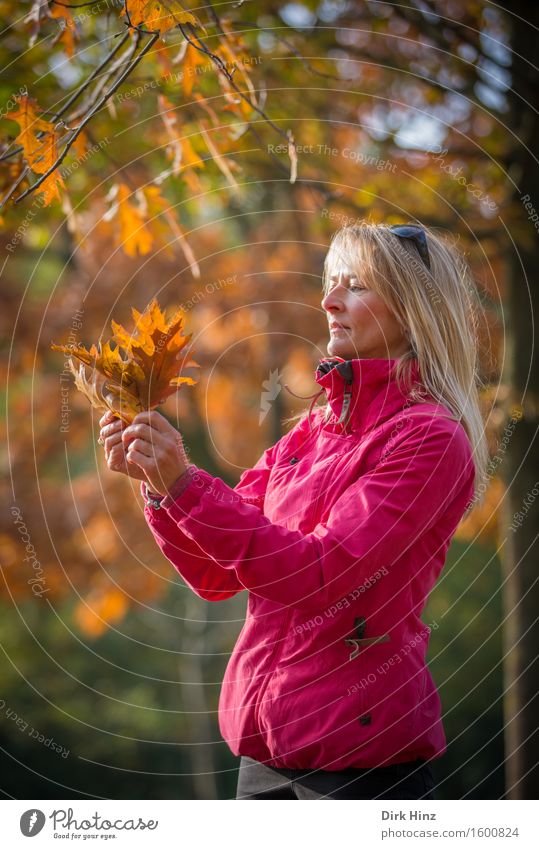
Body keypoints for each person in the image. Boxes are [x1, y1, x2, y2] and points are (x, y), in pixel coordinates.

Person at [99, 222, 488, 800]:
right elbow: (214, 574)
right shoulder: (312, 431)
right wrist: (161, 487)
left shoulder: (429, 440)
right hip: (264, 751)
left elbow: (320, 575)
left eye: (356, 285)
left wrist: (184, 482)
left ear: (413, 310)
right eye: (331, 282)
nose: (329, 300)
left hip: (358, 767)